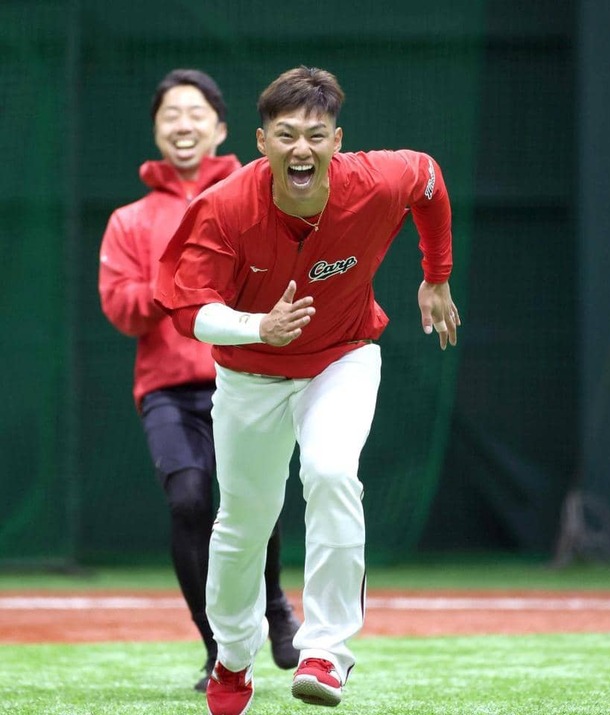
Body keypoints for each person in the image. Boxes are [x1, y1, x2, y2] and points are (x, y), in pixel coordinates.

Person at [155, 65, 460, 714]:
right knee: (244, 521)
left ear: (337, 141)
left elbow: (429, 178)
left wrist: (436, 273)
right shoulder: (226, 207)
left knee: (331, 472)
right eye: (287, 134)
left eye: (316, 135)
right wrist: (258, 326)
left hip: (342, 357)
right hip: (249, 373)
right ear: (262, 142)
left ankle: (325, 650)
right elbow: (188, 309)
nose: (302, 148)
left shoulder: (376, 181)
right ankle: (232, 658)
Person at [98, 68, 300, 693]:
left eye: (195, 114)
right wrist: (174, 288)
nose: (182, 125)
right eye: (170, 115)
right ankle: (219, 648)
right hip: (168, 391)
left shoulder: (255, 197)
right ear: (156, 131)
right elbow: (121, 306)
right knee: (189, 501)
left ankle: (275, 607)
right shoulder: (129, 221)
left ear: (220, 128)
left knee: (253, 498)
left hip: (244, 375)